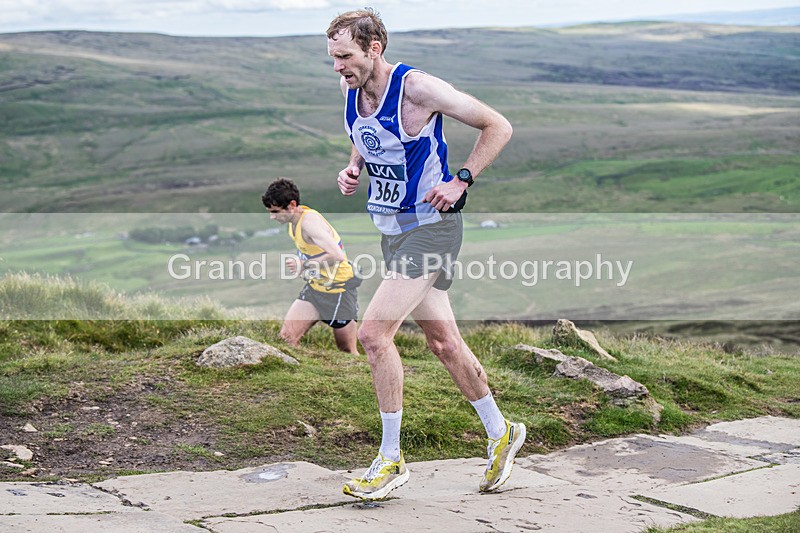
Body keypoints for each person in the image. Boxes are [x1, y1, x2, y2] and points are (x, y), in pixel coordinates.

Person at [326, 8, 525, 499]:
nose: (338, 68)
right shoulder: (353, 91)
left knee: (373, 335)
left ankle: (390, 461)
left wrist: (462, 180)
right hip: (393, 232)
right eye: (332, 58)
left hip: (433, 230)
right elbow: (366, 139)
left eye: (345, 57)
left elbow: (497, 125)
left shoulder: (418, 89)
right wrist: (352, 168)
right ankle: (502, 433)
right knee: (444, 345)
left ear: (375, 49)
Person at [261, 178, 360, 354]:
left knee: (346, 350)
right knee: (287, 339)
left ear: (292, 205)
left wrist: (303, 265)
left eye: (275, 211)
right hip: (315, 289)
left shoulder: (309, 223)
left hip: (339, 291)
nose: (272, 217)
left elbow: (337, 256)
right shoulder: (294, 222)